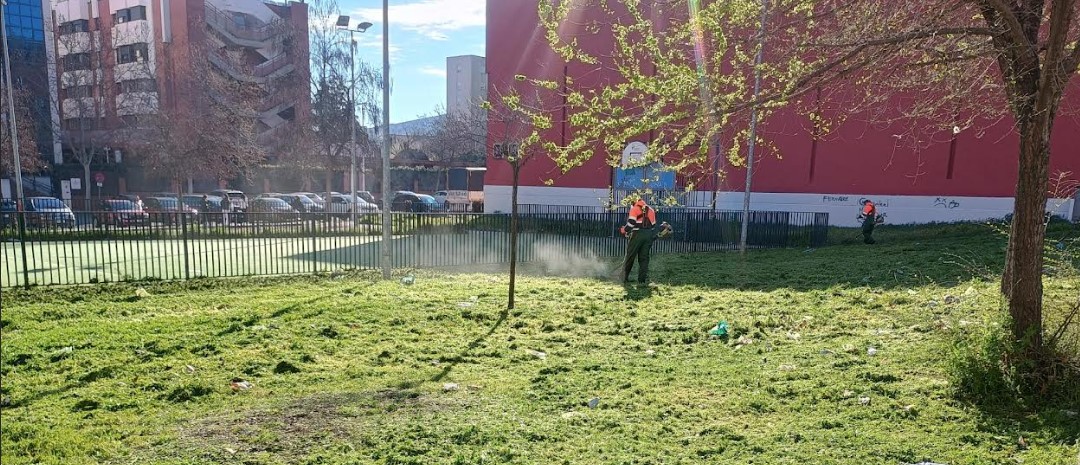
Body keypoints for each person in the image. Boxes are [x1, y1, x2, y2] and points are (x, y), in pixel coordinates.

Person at [618, 199, 659, 284]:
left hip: (637, 234)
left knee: (630, 256)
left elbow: (631, 223)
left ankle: (623, 278)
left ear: (634, 203)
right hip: (648, 234)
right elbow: (654, 225)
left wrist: (624, 230)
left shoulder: (635, 209)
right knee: (644, 258)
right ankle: (642, 280)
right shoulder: (651, 210)